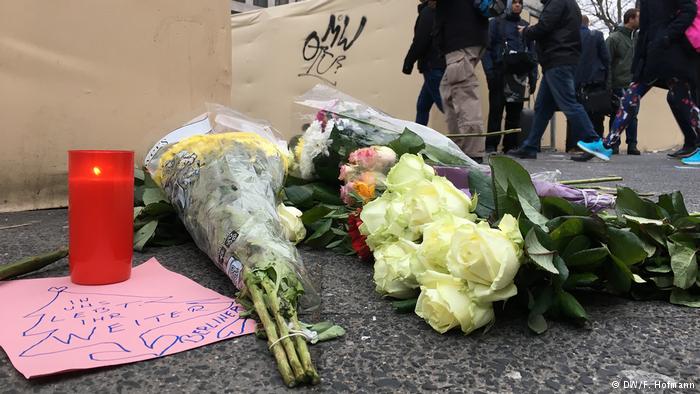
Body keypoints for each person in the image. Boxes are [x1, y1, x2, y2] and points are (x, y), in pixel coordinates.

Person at [578, 0, 700, 165]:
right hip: (652, 55)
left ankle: (607, 144)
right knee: (631, 95)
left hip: (672, 54)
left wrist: (666, 36)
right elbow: (645, 30)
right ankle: (607, 144)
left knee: (682, 100)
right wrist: (638, 61)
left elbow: (689, 10)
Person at [508, 0, 610, 160]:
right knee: (542, 107)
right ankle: (530, 146)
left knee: (569, 103)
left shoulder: (557, 2)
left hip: (558, 58)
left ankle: (595, 142)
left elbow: (544, 26)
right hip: (559, 59)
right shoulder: (570, 4)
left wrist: (526, 31)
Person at [435, 0, 490, 162]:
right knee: (448, 90)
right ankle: (457, 145)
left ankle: (472, 151)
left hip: (461, 38)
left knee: (463, 92)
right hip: (466, 36)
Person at [482, 0, 538, 153]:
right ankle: (491, 145)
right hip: (499, 73)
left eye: (520, 2)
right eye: (514, 2)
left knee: (514, 113)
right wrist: (490, 73)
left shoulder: (526, 26)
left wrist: (533, 77)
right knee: (496, 111)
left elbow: (532, 54)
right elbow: (486, 49)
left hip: (519, 76)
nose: (517, 5)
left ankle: (510, 146)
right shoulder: (496, 24)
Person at [567, 15, 610, 160]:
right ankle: (596, 142)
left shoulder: (570, 37)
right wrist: (606, 79)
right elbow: (606, 58)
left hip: (574, 79)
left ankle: (573, 145)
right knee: (596, 114)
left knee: (574, 111)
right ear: (588, 23)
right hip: (594, 82)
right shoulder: (596, 35)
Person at [403, 0, 446, 126]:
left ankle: (466, 136)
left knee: (446, 107)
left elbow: (420, 41)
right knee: (422, 105)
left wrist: (408, 62)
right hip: (437, 65)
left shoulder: (428, 12)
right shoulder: (438, 10)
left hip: (433, 66)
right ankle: (419, 137)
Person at [606, 8, 641, 155]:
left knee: (633, 115)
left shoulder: (637, 39)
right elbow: (606, 63)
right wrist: (608, 86)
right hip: (618, 83)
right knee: (617, 114)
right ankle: (614, 144)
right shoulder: (613, 38)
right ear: (631, 19)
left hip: (634, 83)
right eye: (639, 17)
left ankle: (632, 144)